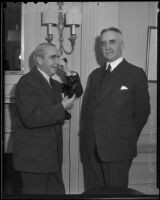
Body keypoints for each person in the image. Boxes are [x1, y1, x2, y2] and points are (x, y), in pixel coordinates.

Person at [79, 27, 150, 192]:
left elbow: (142, 113)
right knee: (94, 193)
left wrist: (126, 137)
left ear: (121, 45)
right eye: (103, 43)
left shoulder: (135, 73)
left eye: (112, 42)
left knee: (116, 194)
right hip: (92, 150)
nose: (107, 47)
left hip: (118, 149)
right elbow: (88, 112)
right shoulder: (95, 75)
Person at [12, 43, 83, 194]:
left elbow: (77, 91)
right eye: (53, 57)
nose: (57, 61)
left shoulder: (53, 83)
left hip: (52, 158)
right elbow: (30, 118)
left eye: (58, 57)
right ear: (39, 59)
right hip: (34, 162)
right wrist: (61, 107)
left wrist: (68, 71)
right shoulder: (26, 82)